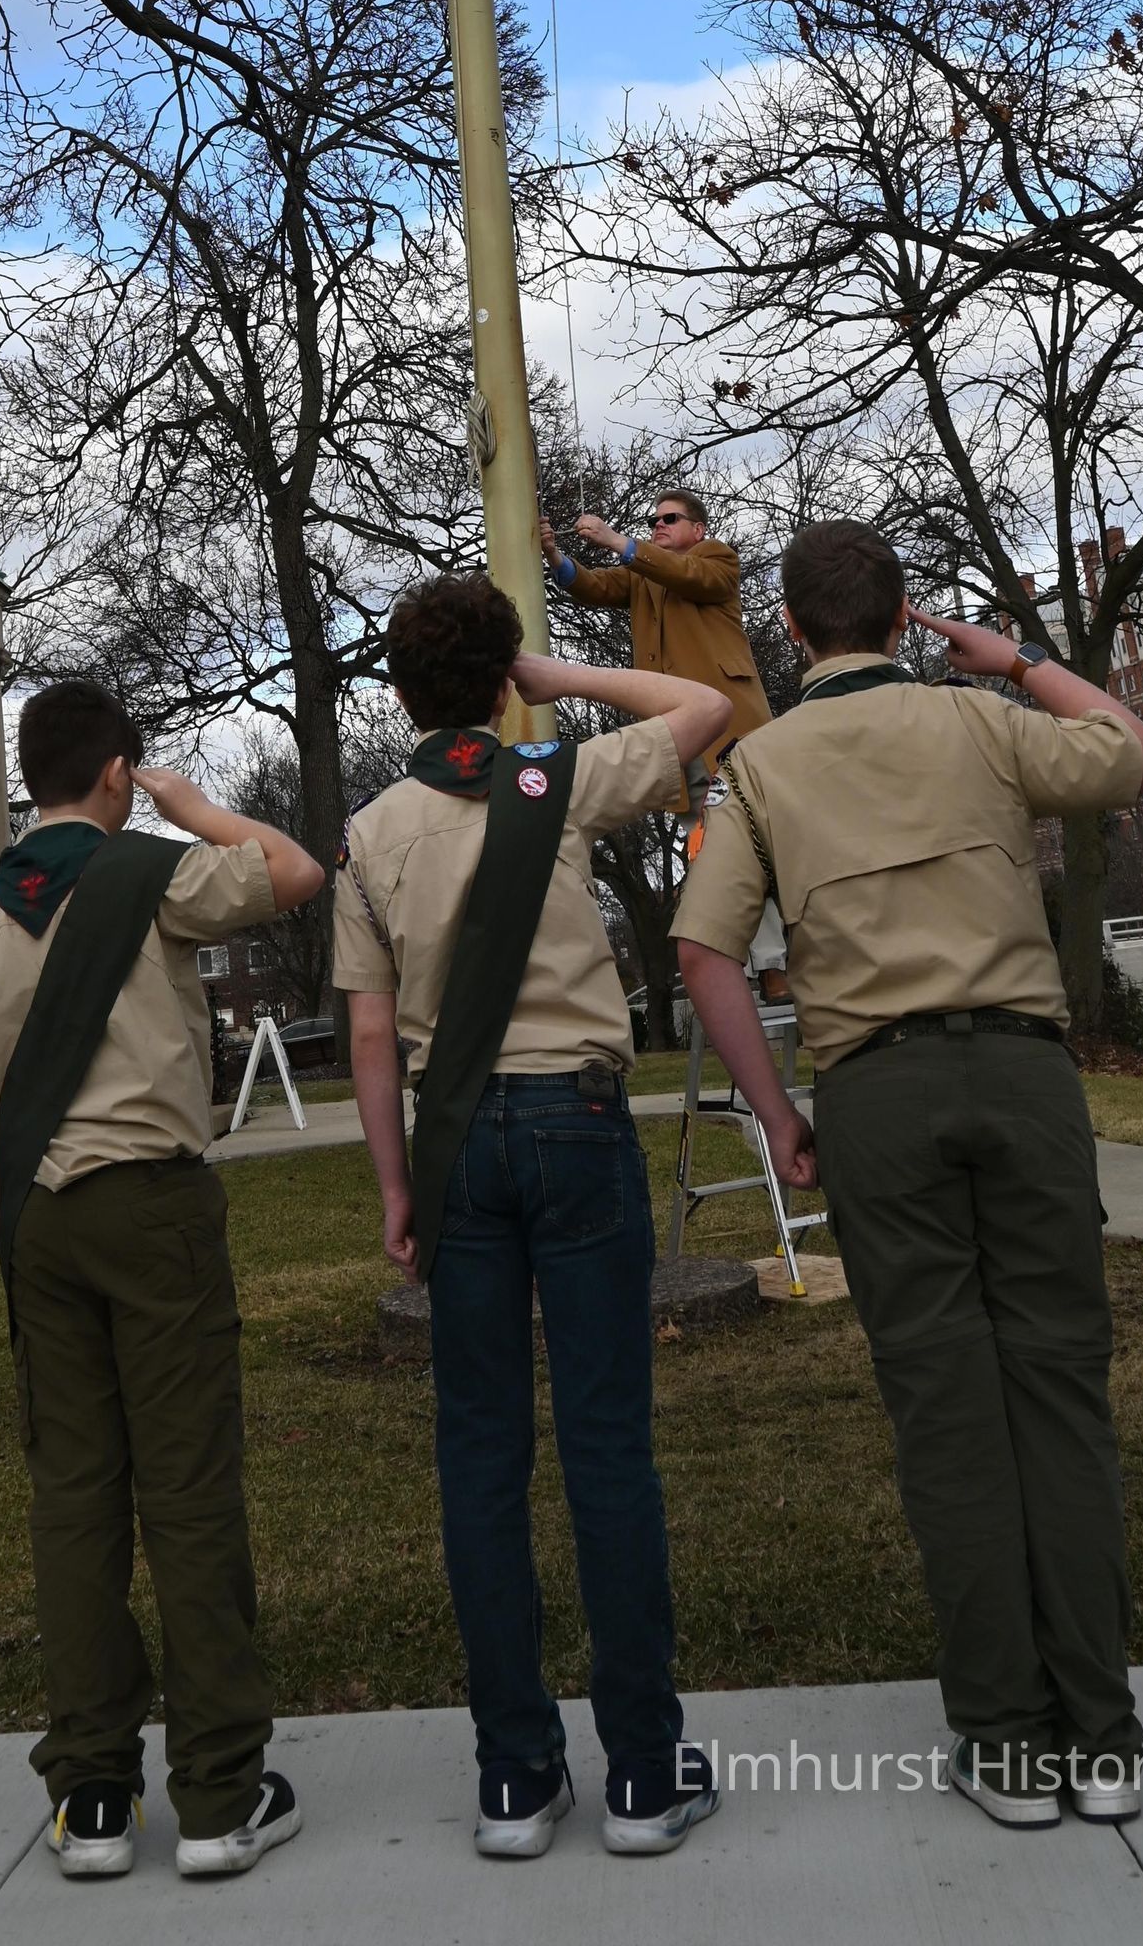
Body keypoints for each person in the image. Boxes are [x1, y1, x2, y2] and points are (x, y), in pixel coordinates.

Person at [673, 520, 1143, 1833]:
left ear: (791, 628)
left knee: (948, 1416)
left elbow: (706, 955)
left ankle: (1005, 1743)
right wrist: (1017, 662)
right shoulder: (982, 721)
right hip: (1023, 1074)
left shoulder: (757, 766)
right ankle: (1103, 1738)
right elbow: (1139, 753)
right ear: (902, 617)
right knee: (1059, 1397)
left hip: (877, 1095)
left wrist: (777, 1112)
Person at [335, 571, 731, 1863]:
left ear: (401, 693)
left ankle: (513, 1776)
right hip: (578, 1119)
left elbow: (373, 1037)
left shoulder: (367, 834)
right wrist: (556, 684)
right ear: (504, 683)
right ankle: (644, 1774)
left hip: (457, 1150)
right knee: (607, 1446)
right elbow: (702, 706)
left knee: (480, 1457)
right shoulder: (554, 781)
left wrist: (397, 1187)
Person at [0, 679, 325, 1882]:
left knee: (75, 1503)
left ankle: (94, 1796)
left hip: (41, 1222)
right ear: (116, 773)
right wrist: (191, 806)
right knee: (189, 1491)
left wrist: (11, 1230)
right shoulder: (152, 875)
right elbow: (296, 870)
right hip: (153, 1206)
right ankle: (219, 1793)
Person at [540, 487, 770, 761]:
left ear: (698, 530)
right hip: (670, 719)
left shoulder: (718, 556)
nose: (659, 524)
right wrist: (554, 556)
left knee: (735, 783)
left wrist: (616, 540)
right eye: (654, 521)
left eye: (670, 518)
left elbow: (689, 574)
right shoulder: (642, 573)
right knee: (682, 784)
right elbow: (597, 585)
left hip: (727, 718)